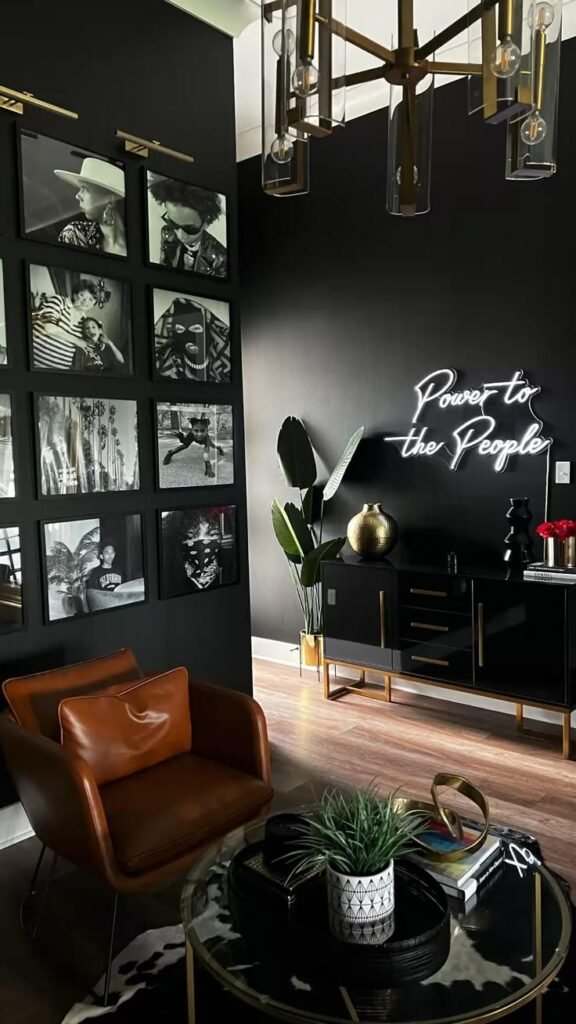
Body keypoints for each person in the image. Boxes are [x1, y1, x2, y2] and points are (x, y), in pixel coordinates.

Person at [148, 176, 227, 277]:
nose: (181, 235)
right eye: (173, 223)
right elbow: (163, 271)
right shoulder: (167, 234)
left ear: (206, 223)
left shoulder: (220, 258)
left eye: (190, 229)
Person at [54, 157, 127, 256]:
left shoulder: (141, 246)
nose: (78, 195)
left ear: (110, 199)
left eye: (85, 188)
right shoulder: (73, 234)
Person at [32, 279, 100, 370]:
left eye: (91, 300)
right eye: (82, 295)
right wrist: (77, 341)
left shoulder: (85, 322)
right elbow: (49, 327)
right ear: (74, 294)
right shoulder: (58, 301)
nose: (85, 301)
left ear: (93, 305)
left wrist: (96, 339)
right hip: (35, 365)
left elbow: (89, 345)